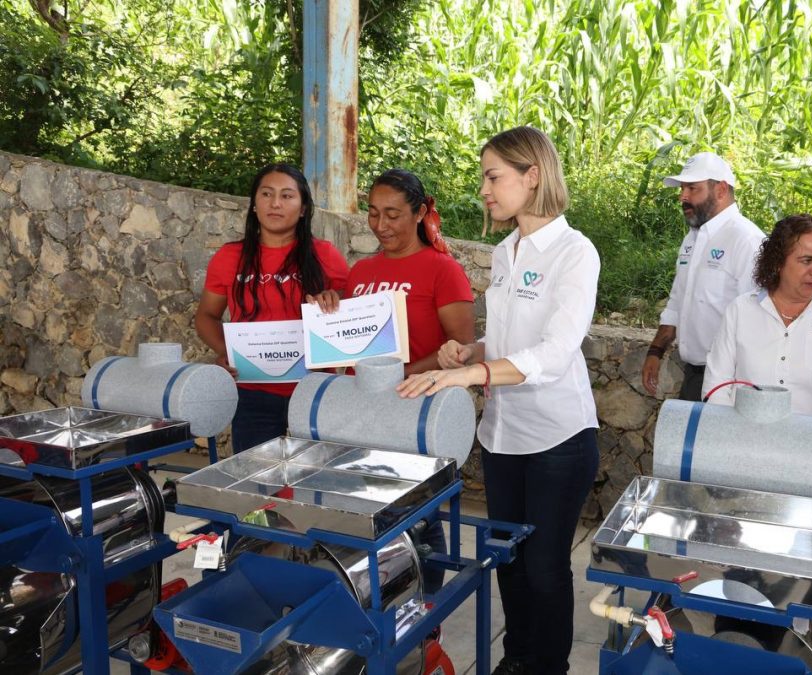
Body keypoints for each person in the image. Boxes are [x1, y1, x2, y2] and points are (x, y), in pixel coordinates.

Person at [397, 126, 599, 675]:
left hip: (559, 438)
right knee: (507, 558)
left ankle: (547, 667)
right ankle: (517, 659)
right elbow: (514, 342)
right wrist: (472, 351)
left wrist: (474, 374)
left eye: (493, 177)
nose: (484, 190)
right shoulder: (506, 251)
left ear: (532, 176)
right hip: (503, 435)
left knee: (545, 567)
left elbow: (555, 352)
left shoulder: (575, 253)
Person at [307, 168, 475, 596]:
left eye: (393, 215)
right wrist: (331, 305)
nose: (381, 225)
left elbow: (463, 347)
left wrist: (402, 375)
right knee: (364, 510)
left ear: (420, 213)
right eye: (373, 213)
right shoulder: (361, 270)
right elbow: (351, 339)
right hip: (364, 413)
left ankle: (424, 607)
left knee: (418, 520)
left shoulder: (443, 270)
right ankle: (373, 593)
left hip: (414, 415)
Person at [195, 163, 348, 452]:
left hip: (314, 392)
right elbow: (206, 316)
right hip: (252, 393)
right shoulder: (230, 257)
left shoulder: (326, 255)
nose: (275, 203)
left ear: (303, 208)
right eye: (266, 194)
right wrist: (225, 351)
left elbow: (349, 320)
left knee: (314, 483)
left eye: (287, 196)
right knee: (258, 484)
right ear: (254, 204)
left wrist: (334, 300)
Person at [702, 214, 812, 413]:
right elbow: (716, 384)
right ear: (777, 262)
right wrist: (733, 434)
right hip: (742, 438)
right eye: (807, 260)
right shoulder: (741, 310)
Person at [641, 152, 765, 400]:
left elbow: (757, 318)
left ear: (720, 190)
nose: (683, 197)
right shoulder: (693, 238)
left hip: (730, 382)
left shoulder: (747, 240)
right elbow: (678, 300)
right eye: (682, 189)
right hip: (694, 376)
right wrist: (655, 351)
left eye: (692, 189)